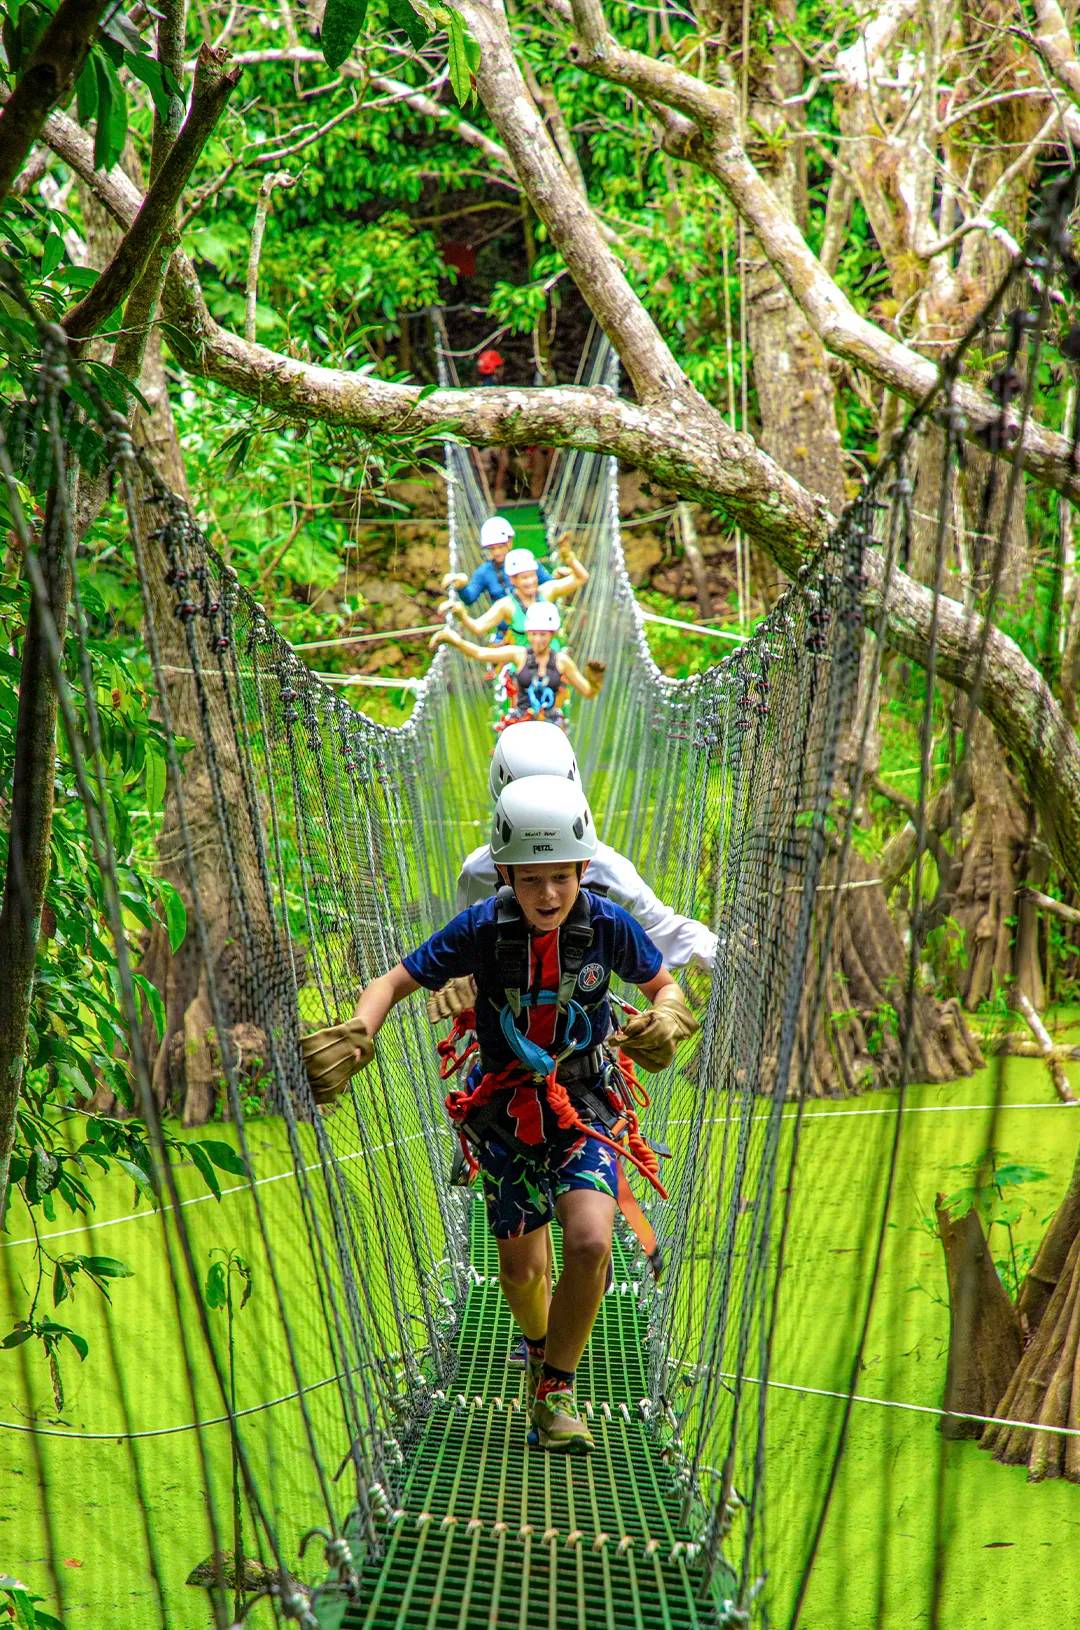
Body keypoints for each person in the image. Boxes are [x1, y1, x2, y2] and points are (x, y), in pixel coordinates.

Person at [300, 778, 699, 1454]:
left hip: (587, 1105)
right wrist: (361, 1031)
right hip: (506, 1115)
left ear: (583, 870)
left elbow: (664, 982)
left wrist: (667, 1016)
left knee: (593, 1243)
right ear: (506, 873)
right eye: (532, 879)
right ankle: (540, 1346)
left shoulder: (608, 926)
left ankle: (554, 1390)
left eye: (562, 878)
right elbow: (395, 981)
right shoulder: (483, 928)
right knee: (519, 1275)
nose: (548, 894)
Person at [431, 601, 603, 731]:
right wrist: (455, 641)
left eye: (543, 634)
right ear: (527, 633)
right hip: (521, 720)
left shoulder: (562, 661)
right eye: (533, 634)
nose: (537, 640)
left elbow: (588, 692)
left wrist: (595, 681)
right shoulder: (518, 655)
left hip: (550, 723)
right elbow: (480, 653)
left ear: (552, 635)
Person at [449, 539, 586, 643]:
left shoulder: (547, 591)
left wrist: (570, 559)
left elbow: (581, 577)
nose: (530, 581)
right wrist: (462, 615)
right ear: (513, 580)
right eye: (524, 578)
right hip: (524, 666)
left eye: (533, 576)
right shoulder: (506, 605)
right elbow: (478, 627)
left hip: (552, 664)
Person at [441, 516, 553, 623]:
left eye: (500, 547)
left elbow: (550, 584)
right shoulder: (484, 572)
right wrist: (461, 585)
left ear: (510, 542)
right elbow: (470, 598)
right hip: (504, 634)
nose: (496, 552)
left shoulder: (526, 561)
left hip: (536, 625)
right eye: (492, 549)